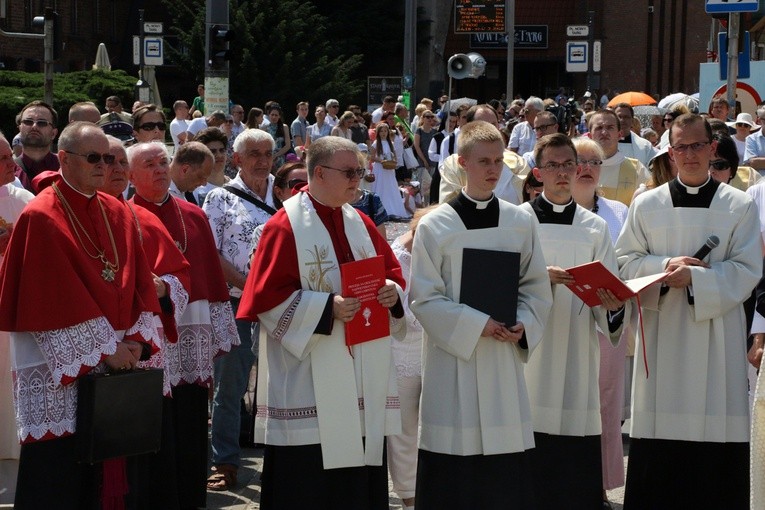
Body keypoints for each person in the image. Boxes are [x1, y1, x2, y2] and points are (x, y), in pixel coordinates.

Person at [236, 136, 405, 509]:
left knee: (358, 473)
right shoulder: (285, 225)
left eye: (359, 171)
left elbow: (392, 275)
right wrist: (326, 309)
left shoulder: (359, 221)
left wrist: (392, 294)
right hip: (309, 378)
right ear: (318, 173)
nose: (357, 179)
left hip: (361, 369)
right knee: (311, 484)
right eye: (349, 172)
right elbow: (265, 300)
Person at [0, 121, 162, 508]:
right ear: (66, 160)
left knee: (106, 468)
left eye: (108, 158)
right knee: (59, 478)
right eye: (92, 158)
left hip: (114, 365)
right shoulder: (40, 216)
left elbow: (140, 282)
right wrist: (107, 349)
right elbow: (51, 299)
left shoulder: (117, 211)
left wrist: (137, 342)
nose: (103, 167)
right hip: (59, 372)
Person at [615, 113, 761, 509]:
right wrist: (663, 268)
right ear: (670, 152)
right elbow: (625, 261)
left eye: (698, 145)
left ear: (713, 148)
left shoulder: (739, 205)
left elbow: (749, 269)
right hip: (663, 336)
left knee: (714, 438)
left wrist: (697, 280)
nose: (690, 154)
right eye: (681, 146)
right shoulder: (647, 204)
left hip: (716, 334)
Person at [410, 120, 552, 509]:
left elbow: (536, 286)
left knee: (505, 471)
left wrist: (524, 323)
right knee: (455, 468)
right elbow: (423, 297)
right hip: (454, 359)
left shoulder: (520, 220)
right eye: (483, 161)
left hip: (503, 358)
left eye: (499, 161)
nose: (493, 170)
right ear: (461, 163)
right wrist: (476, 325)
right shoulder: (436, 224)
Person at [127, 140, 238, 507]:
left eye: (163, 162)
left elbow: (208, 276)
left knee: (190, 419)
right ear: (130, 174)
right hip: (152, 335)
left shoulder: (193, 215)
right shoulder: (123, 215)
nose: (159, 169)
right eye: (149, 164)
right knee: (156, 422)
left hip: (192, 329)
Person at [520, 133, 627, 509]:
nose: (562, 173)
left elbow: (610, 293)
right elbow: (501, 285)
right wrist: (537, 277)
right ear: (538, 173)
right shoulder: (518, 222)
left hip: (579, 347)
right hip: (530, 349)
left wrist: (612, 304)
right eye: (552, 165)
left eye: (569, 164)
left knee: (575, 442)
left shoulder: (594, 227)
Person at [203, 128, 277, 491]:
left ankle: (283, 456)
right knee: (230, 384)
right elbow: (210, 254)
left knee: (283, 381)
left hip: (285, 304)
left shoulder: (287, 193)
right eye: (254, 154)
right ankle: (226, 461)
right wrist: (252, 290)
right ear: (236, 159)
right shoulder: (218, 199)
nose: (262, 160)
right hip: (238, 303)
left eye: (268, 153)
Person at [571, 137, 631, 506]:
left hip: (607, 319)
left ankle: (600, 486)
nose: (587, 168)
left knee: (605, 404)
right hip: (563, 322)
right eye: (579, 161)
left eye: (595, 162)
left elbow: (625, 262)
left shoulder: (619, 214)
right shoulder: (535, 213)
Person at [386, 205, 435, 510]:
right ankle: (409, 497)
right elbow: (401, 310)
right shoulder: (398, 254)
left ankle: (434, 490)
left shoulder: (441, 248)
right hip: (400, 349)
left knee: (433, 426)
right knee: (402, 429)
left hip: (435, 349)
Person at [0, 134, 34, 465]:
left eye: (12, 155)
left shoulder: (25, 199)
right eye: (3, 159)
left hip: (11, 310)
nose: (12, 162)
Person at [439, 104, 528, 205]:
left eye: (493, 124)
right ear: (469, 127)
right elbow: (448, 205)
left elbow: (524, 201)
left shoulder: (518, 163)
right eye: (482, 125)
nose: (489, 130)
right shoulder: (453, 164)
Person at [588, 109, 649, 205]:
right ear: (589, 136)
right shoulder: (580, 168)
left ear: (619, 135)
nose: (604, 132)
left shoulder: (636, 169)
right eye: (599, 128)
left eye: (610, 127)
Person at [14, 100, 60, 192]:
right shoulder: (7, 170)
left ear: (53, 133)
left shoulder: (67, 170)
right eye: (28, 122)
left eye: (42, 123)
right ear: (19, 129)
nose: (34, 126)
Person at [192, 128, 230, 203]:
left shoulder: (236, 186)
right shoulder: (193, 190)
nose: (219, 155)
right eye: (212, 151)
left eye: (222, 150)